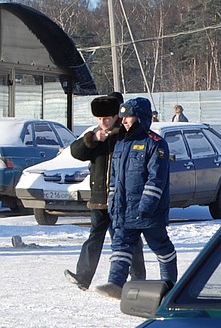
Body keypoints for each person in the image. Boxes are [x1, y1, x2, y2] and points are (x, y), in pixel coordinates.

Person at [95, 97, 179, 298]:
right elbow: (114, 178)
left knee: (161, 247)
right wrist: (112, 203)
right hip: (124, 209)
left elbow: (156, 178)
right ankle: (115, 284)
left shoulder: (155, 144)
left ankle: (170, 285)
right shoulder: (122, 144)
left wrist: (146, 206)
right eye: (122, 117)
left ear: (140, 117)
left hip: (148, 212)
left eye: (128, 117)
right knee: (121, 246)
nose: (123, 121)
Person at [64, 93, 146, 290]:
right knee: (94, 237)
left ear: (116, 116)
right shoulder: (95, 135)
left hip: (121, 199)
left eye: (106, 119)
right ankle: (83, 276)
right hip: (100, 199)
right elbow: (76, 152)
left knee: (128, 239)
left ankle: (137, 279)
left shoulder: (125, 135)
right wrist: (91, 139)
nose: (103, 122)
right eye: (99, 119)